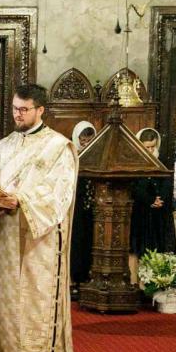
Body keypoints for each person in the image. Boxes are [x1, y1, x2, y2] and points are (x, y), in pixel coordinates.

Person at [0, 84, 75, 352]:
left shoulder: (58, 147)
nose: (18, 114)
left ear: (40, 110)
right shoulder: (5, 145)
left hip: (35, 239)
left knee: (28, 300)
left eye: (24, 109)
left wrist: (22, 200)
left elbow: (59, 194)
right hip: (1, 234)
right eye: (15, 108)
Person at [129, 128, 176, 280]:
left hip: (158, 215)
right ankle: (138, 283)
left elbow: (167, 182)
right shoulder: (133, 162)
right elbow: (133, 187)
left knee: (157, 248)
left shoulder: (162, 162)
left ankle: (156, 283)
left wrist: (159, 200)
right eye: (146, 147)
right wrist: (149, 200)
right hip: (140, 214)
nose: (150, 150)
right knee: (139, 249)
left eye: (152, 147)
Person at [69, 122, 96, 292]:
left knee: (90, 242)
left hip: (93, 208)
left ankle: (88, 278)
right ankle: (75, 279)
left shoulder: (97, 155)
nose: (86, 144)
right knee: (76, 242)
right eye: (83, 140)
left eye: (89, 140)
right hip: (75, 207)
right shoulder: (71, 156)